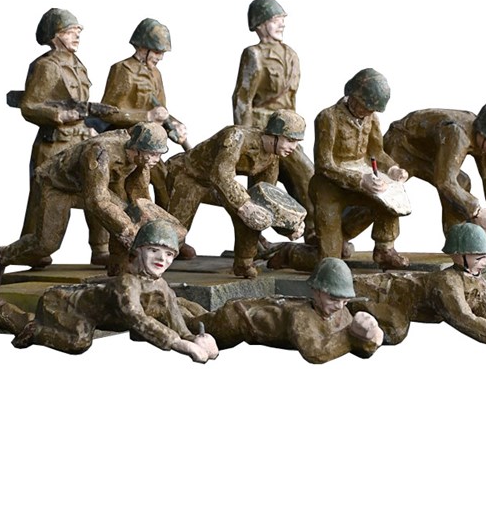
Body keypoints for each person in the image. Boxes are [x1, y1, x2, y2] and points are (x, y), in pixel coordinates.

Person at [0, 221, 218, 362]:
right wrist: (183, 347)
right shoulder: (127, 284)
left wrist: (198, 339)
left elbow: (178, 324)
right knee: (78, 342)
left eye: (169, 254)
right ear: (138, 250)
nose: (162, 259)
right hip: (65, 304)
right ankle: (6, 314)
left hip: (88, 313)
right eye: (154, 251)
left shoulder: (162, 288)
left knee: (81, 336)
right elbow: (138, 319)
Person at [0, 122, 173, 283]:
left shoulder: (141, 160)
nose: (156, 159)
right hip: (59, 185)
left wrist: (150, 227)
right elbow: (97, 201)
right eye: (153, 154)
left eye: (159, 154)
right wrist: (128, 232)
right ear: (137, 149)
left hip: (93, 187)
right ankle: (2, 256)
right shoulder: (100, 152)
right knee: (46, 244)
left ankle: (118, 270)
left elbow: (139, 197)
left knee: (126, 213)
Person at [351, 223, 486, 348]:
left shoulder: (476, 279)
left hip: (392, 292)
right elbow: (464, 318)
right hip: (383, 293)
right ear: (458, 256)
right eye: (479, 258)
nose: (485, 263)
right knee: (396, 331)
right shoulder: (447, 282)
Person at [17, 8, 111, 265]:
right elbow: (29, 106)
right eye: (70, 32)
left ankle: (101, 248)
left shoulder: (78, 65)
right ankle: (31, 249)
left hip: (80, 140)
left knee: (97, 189)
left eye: (77, 32)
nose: (76, 36)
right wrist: (59, 115)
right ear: (55, 35)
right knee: (43, 198)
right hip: (54, 143)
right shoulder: (46, 66)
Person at [165, 110, 306, 278]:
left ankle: (244, 262)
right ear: (274, 135)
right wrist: (244, 206)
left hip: (217, 183)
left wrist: (288, 225)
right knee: (177, 226)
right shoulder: (236, 137)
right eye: (290, 140)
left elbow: (265, 199)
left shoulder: (272, 157)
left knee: (253, 213)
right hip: (188, 175)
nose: (293, 147)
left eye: (296, 142)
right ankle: (162, 253)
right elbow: (221, 175)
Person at [232, 0, 316, 243]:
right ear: (259, 24)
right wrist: (245, 138)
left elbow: (291, 99)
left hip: (287, 132)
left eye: (282, 20)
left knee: (306, 176)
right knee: (262, 184)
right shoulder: (254, 54)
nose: (282, 24)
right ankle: (252, 239)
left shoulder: (291, 54)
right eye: (275, 20)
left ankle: (314, 229)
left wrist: (296, 133)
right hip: (262, 130)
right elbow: (242, 98)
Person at [309, 68, 410, 269]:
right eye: (365, 107)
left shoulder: (371, 119)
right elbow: (324, 164)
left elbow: (376, 152)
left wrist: (392, 169)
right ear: (353, 96)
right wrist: (360, 180)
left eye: (372, 109)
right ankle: (291, 254)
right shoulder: (328, 118)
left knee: (388, 201)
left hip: (361, 179)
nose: (368, 112)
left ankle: (384, 250)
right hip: (328, 187)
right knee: (330, 263)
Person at [197, 258, 383, 364]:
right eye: (333, 299)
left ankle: (184, 306)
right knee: (195, 325)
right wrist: (351, 336)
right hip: (238, 319)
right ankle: (179, 308)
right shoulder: (300, 316)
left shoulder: (342, 315)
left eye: (346, 300)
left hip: (248, 312)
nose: (340, 306)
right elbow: (315, 352)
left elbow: (356, 348)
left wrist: (369, 337)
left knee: (199, 316)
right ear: (316, 291)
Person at [101, 18, 189, 221]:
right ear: (142, 47)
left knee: (165, 183)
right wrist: (146, 116)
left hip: (150, 145)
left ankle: (167, 229)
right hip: (126, 145)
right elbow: (107, 112)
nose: (160, 57)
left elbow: (161, 110)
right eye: (157, 52)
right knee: (127, 193)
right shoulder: (122, 70)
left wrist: (175, 123)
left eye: (162, 53)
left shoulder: (156, 74)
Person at [383, 102, 486, 238]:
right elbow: (445, 181)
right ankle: (384, 242)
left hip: (426, 150)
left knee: (461, 181)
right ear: (481, 134)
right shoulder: (456, 134)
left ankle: (456, 236)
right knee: (383, 191)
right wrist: (476, 212)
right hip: (401, 144)